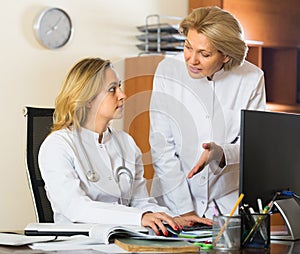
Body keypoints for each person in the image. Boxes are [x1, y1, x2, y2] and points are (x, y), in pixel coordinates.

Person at [38, 57, 211, 236]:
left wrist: (172, 218)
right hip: (79, 243)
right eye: (112, 89)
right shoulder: (58, 146)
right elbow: (76, 208)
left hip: (124, 239)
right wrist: (140, 217)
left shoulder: (125, 142)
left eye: (119, 86)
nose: (122, 95)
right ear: (88, 99)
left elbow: (140, 201)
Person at [149, 6, 266, 219]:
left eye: (204, 54)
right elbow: (162, 146)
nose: (192, 60)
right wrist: (185, 210)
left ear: (226, 56)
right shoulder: (168, 71)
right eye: (188, 47)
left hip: (225, 204)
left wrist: (221, 153)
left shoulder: (251, 78)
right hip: (173, 204)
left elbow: (255, 144)